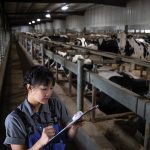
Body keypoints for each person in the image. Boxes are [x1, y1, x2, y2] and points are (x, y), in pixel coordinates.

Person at [4, 65, 82, 150]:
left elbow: (67, 139)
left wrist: (74, 127)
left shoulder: (56, 104)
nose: (49, 93)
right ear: (29, 87)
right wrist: (40, 143)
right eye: (44, 89)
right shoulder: (14, 120)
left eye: (51, 88)